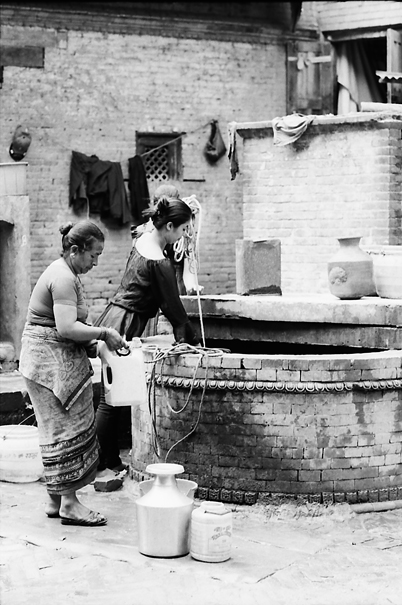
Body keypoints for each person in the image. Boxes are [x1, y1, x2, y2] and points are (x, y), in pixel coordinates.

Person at [19, 220, 128, 526]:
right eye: (93, 255)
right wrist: (105, 332)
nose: (96, 262)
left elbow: (65, 328)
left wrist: (91, 342)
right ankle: (69, 503)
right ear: (75, 250)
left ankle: (56, 500)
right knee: (65, 430)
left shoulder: (68, 273)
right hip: (47, 366)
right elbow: (66, 327)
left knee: (57, 430)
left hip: (50, 361)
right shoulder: (62, 277)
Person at [94, 194, 200, 474]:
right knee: (111, 399)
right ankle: (106, 462)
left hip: (114, 315)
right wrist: (189, 336)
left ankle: (106, 460)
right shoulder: (158, 260)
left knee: (111, 395)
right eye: (182, 229)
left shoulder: (143, 240)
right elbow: (172, 306)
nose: (184, 235)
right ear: (169, 227)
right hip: (125, 325)